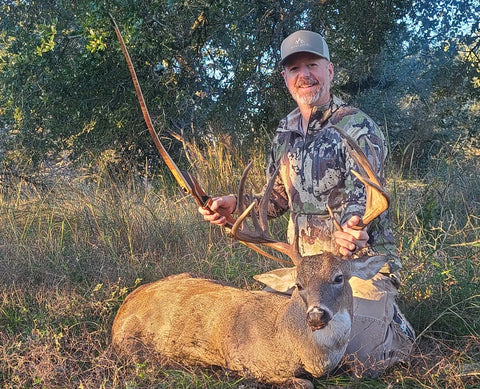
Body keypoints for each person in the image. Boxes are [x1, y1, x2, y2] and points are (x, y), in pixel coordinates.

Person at [198, 30, 414, 377]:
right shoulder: (284, 132)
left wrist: (355, 227)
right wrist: (234, 205)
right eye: (295, 68)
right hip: (304, 271)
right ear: (286, 78)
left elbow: (368, 199)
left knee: (358, 357)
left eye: (312, 64)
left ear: (330, 70)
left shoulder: (357, 127)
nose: (305, 75)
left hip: (350, 266)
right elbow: (278, 199)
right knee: (261, 336)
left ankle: (395, 324)